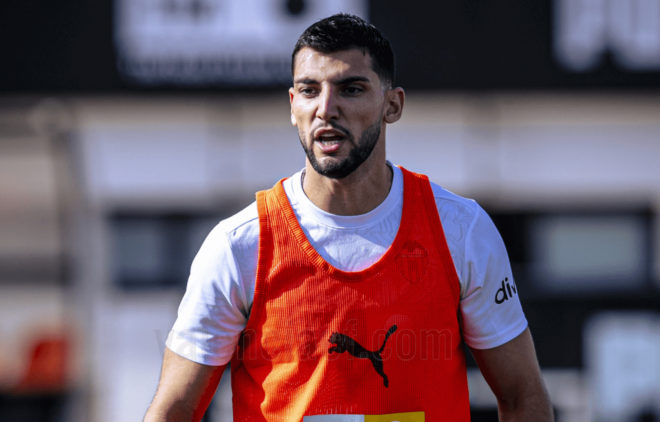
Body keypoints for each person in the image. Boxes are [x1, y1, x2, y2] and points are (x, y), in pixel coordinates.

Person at [144, 14, 553, 422]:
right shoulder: (238, 246)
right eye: (309, 90)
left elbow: (523, 398)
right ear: (293, 106)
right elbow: (174, 410)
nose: (326, 109)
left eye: (350, 89)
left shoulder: (460, 230)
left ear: (392, 105)